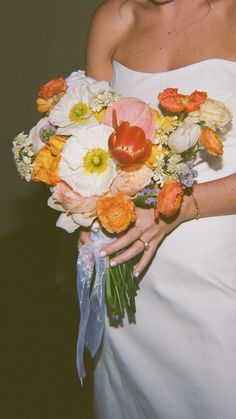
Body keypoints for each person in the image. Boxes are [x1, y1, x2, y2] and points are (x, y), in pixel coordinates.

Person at [81, 1, 236, 417]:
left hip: (216, 270)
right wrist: (86, 207)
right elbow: (90, 141)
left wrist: (184, 206)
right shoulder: (114, 19)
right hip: (127, 270)